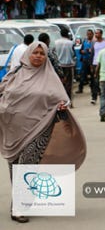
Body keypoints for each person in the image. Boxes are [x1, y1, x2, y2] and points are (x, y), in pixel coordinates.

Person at [0, 41, 70, 224]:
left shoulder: (50, 77)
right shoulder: (15, 74)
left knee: (27, 164)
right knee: (15, 165)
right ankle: (22, 199)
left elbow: (63, 99)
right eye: (35, 52)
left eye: (42, 53)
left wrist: (62, 107)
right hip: (13, 128)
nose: (38, 56)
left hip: (39, 127)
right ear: (28, 54)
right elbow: (3, 92)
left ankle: (19, 206)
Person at [53, 28, 76, 104]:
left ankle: (60, 100)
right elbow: (73, 53)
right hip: (68, 65)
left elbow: (54, 53)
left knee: (59, 83)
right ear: (67, 34)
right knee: (69, 84)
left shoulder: (56, 43)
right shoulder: (71, 43)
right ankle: (68, 100)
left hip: (59, 66)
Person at [91, 29, 105, 105]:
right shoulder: (94, 43)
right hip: (95, 63)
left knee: (102, 80)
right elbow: (92, 54)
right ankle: (94, 97)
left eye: (97, 33)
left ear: (101, 34)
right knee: (95, 81)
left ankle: (102, 95)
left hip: (104, 64)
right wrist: (91, 65)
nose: (96, 35)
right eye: (95, 33)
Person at [78, 29, 94, 94]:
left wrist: (90, 51)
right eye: (88, 34)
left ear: (92, 34)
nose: (89, 35)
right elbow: (80, 50)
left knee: (93, 75)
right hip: (85, 60)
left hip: (92, 61)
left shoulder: (94, 42)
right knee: (82, 75)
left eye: (90, 34)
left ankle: (94, 89)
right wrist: (82, 51)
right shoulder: (85, 41)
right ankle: (80, 88)